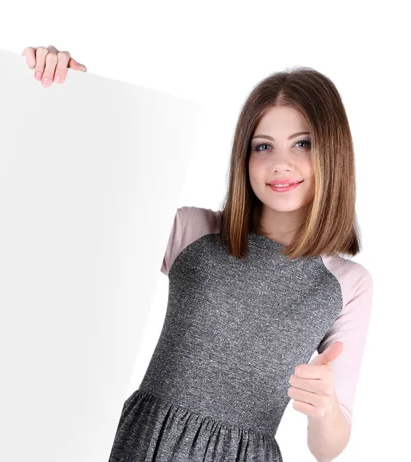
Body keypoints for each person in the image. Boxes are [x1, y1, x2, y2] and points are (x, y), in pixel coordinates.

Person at [21, 45, 373, 462]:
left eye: (302, 144)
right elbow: (79, 212)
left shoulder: (348, 285)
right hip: (144, 445)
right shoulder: (191, 231)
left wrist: (325, 407)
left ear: (334, 154)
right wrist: (72, 96)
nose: (281, 163)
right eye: (263, 146)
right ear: (244, 157)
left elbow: (328, 447)